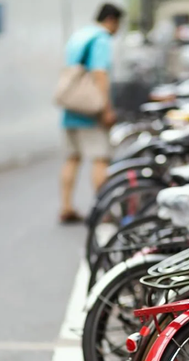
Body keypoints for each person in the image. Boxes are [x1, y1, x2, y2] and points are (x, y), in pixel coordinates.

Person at [59, 3, 124, 224]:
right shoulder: (101, 38)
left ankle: (66, 206)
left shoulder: (79, 35)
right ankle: (104, 211)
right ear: (112, 20)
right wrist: (107, 109)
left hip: (71, 107)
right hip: (90, 110)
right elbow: (100, 74)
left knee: (72, 158)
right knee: (100, 158)